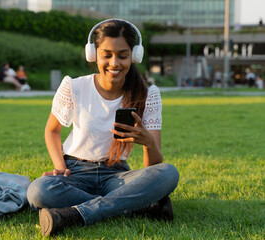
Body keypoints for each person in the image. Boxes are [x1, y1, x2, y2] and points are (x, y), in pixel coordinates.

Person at [27, 19, 179, 236]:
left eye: (123, 55)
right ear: (93, 54)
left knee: (168, 173)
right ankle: (136, 207)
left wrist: (148, 143)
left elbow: (152, 166)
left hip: (116, 176)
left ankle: (76, 214)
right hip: (75, 172)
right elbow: (52, 130)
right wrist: (59, 166)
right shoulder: (74, 86)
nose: (114, 63)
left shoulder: (148, 95)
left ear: (134, 56)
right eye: (106, 54)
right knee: (38, 191)